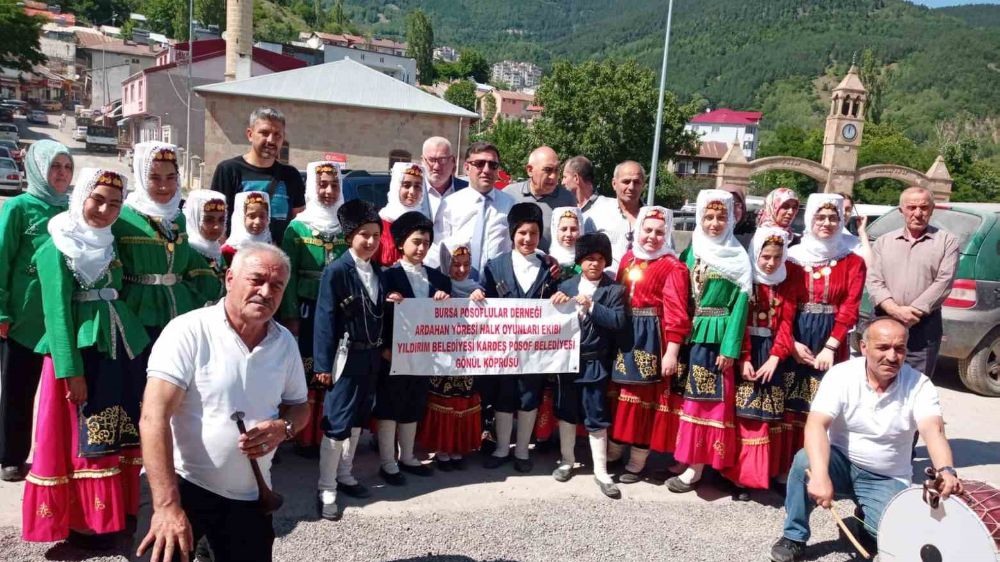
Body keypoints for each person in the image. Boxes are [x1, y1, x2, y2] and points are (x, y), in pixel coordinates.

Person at [137, 242, 309, 562]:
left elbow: (300, 406)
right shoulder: (188, 331)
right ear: (230, 279)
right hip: (182, 484)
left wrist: (283, 427)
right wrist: (166, 507)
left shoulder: (284, 342)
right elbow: (153, 417)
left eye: (277, 285)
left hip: (249, 496)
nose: (266, 291)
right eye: (256, 280)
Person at [22, 168, 148, 547]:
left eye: (115, 204)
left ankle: (115, 515)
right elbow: (57, 316)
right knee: (81, 439)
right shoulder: (55, 247)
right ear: (81, 198)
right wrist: (71, 372)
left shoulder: (110, 245)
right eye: (98, 200)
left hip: (116, 353)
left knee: (114, 432)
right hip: (78, 359)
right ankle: (82, 525)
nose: (106, 210)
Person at [769, 318, 961, 562]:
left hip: (886, 476)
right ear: (863, 347)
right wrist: (819, 475)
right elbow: (817, 424)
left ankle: (865, 515)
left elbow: (934, 431)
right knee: (805, 461)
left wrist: (946, 470)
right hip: (840, 462)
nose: (892, 356)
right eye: (883, 347)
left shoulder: (919, 385)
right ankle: (794, 536)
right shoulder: (841, 375)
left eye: (899, 349)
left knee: (895, 537)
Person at [667, 190, 751, 493]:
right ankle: (685, 455)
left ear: (730, 219)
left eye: (721, 217)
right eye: (709, 217)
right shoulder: (692, 251)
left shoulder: (738, 258)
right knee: (686, 399)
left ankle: (697, 467)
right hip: (691, 333)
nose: (714, 223)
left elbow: (741, 308)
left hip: (715, 337)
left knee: (706, 402)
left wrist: (730, 348)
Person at [0, 139, 72, 482]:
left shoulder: (73, 209)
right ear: (38, 169)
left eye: (66, 167)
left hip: (63, 316)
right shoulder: (18, 207)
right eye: (54, 167)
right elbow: (1, 259)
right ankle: (11, 456)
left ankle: (56, 459)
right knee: (17, 388)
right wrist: (1, 312)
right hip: (23, 318)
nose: (61, 174)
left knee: (61, 393)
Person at [312, 199, 386, 520]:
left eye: (375, 234)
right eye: (363, 235)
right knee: (337, 420)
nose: (370, 241)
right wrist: (323, 366)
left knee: (359, 417)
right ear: (349, 237)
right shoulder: (337, 270)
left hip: (370, 357)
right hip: (345, 357)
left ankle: (345, 473)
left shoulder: (376, 269)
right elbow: (325, 319)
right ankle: (326, 486)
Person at [608, 206, 691, 484]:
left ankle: (637, 460)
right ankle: (615, 449)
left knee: (644, 400)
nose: (652, 237)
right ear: (638, 230)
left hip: (651, 338)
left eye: (659, 232)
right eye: (647, 230)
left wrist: (672, 351)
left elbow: (678, 311)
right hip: (625, 334)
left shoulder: (673, 266)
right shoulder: (629, 259)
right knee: (620, 395)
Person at [783, 194, 865, 457]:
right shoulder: (792, 258)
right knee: (789, 400)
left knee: (823, 403)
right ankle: (786, 464)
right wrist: (791, 343)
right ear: (810, 219)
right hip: (797, 335)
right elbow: (783, 305)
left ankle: (817, 463)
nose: (827, 223)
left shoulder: (852, 261)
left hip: (831, 337)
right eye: (820, 217)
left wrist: (831, 346)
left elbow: (850, 307)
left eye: (833, 217)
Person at [480, 202, 559, 472]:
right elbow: (483, 299)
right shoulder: (494, 266)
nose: (527, 239)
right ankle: (503, 448)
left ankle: (523, 451)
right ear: (512, 234)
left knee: (529, 397)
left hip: (535, 350)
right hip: (502, 350)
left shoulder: (549, 269)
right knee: (504, 396)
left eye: (534, 233)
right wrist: (476, 295)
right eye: (522, 233)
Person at [374, 211, 451, 485]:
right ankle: (387, 461)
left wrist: (444, 301)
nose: (421, 248)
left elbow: (448, 319)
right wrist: (383, 347)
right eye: (416, 241)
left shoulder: (439, 280)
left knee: (413, 403)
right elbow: (376, 316)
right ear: (401, 243)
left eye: (426, 243)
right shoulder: (387, 276)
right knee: (389, 405)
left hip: (423, 356)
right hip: (393, 355)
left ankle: (407, 455)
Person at [722, 227, 798, 501]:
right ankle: (739, 476)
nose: (770, 263)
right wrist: (742, 357)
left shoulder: (786, 282)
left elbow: (788, 323)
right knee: (743, 414)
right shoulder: (746, 279)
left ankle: (764, 474)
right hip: (748, 351)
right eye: (765, 256)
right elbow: (738, 320)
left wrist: (777, 356)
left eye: (777, 258)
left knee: (767, 416)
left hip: (772, 356)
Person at [279, 161, 349, 455]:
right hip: (308, 308)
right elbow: (289, 275)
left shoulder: (346, 227)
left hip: (338, 311)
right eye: (322, 185)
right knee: (307, 369)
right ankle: (303, 436)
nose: (329, 191)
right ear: (311, 187)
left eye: (334, 185)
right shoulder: (297, 228)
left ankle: (328, 434)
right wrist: (291, 313)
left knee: (334, 367)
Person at [550, 233, 626, 498]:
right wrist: (555, 303)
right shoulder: (566, 285)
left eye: (600, 259)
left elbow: (617, 322)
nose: (594, 264)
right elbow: (550, 321)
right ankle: (567, 460)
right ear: (580, 260)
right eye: (589, 259)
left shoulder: (614, 289)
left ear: (606, 262)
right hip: (567, 362)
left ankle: (601, 471)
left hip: (595, 362)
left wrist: (592, 305)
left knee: (596, 414)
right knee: (567, 411)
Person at [115, 141, 203, 352]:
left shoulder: (179, 217)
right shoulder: (122, 217)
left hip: (179, 310)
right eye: (154, 178)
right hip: (138, 312)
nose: (164, 186)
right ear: (141, 177)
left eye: (171, 178)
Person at [867, 187, 957, 380]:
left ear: (932, 210)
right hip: (885, 320)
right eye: (911, 207)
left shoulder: (947, 242)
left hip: (923, 325)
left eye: (924, 207)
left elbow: (944, 280)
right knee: (878, 379)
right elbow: (874, 279)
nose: (918, 213)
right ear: (901, 211)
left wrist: (914, 310)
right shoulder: (883, 242)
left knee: (916, 383)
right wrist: (894, 310)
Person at [418, 237, 484, 470]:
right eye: (456, 265)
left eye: (466, 264)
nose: (462, 270)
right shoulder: (437, 286)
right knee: (442, 398)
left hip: (468, 355)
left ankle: (458, 447)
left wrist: (478, 296)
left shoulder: (476, 287)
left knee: (463, 398)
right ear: (446, 264)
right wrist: (437, 300)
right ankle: (442, 448)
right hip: (442, 357)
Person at [210, 107, 306, 245]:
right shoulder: (228, 170)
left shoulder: (291, 175)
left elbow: (298, 221)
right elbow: (217, 220)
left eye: (277, 135)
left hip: (279, 260)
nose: (271, 140)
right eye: (264, 133)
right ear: (250, 134)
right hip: (239, 259)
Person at [436, 141, 516, 278]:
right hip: (458, 288)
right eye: (479, 164)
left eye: (493, 165)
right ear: (466, 167)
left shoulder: (510, 204)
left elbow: (520, 248)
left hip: (498, 288)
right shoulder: (449, 204)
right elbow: (438, 248)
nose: (486, 170)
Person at [506, 146, 576, 252]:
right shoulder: (509, 195)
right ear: (530, 170)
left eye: (557, 170)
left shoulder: (567, 199)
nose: (553, 176)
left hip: (553, 266)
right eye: (547, 170)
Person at [585, 161, 645, 272]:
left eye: (636, 182)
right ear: (614, 184)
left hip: (642, 286)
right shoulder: (596, 214)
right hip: (605, 285)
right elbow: (583, 254)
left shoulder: (654, 218)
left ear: (643, 185)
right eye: (626, 182)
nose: (631, 187)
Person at [183, 190, 228, 306]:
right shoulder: (187, 252)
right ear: (195, 217)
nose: (217, 226)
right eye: (208, 220)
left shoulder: (216, 252)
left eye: (221, 220)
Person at [377, 162, 426, 266]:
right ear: (396, 186)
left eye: (417, 186)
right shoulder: (379, 224)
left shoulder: (424, 224)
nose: (412, 191)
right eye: (406, 185)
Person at [420, 136, 467, 222]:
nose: (436, 167)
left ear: (453, 161)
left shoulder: (468, 191)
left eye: (442, 160)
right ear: (422, 161)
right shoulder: (411, 191)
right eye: (431, 160)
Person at [221, 191, 272, 265]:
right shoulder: (227, 252)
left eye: (262, 216)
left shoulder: (271, 249)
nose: (257, 221)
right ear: (241, 217)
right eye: (251, 216)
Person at [548, 207, 584, 278]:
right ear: (555, 231)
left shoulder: (586, 262)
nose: (568, 234)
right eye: (564, 229)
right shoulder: (548, 262)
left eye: (573, 229)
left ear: (580, 230)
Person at [839, 192, 873, 265]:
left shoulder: (852, 240)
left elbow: (869, 264)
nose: (844, 213)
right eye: (840, 208)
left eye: (848, 209)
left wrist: (862, 232)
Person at [722, 184, 754, 248]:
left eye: (737, 204)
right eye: (728, 204)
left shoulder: (752, 238)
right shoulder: (702, 236)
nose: (732, 209)